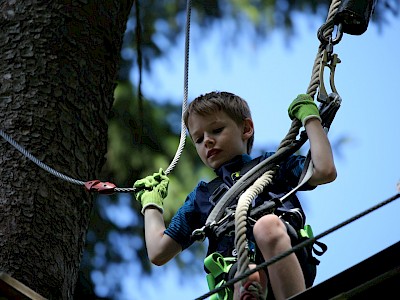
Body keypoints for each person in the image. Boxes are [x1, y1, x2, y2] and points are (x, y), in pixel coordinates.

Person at [134, 91, 336, 300]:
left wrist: (311, 118)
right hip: (238, 278)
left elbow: (324, 170)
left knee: (266, 228)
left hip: (287, 257)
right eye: (199, 139)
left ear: (246, 129)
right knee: (247, 275)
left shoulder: (272, 165)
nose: (208, 142)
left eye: (217, 130)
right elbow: (158, 252)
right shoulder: (203, 196)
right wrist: (152, 204)